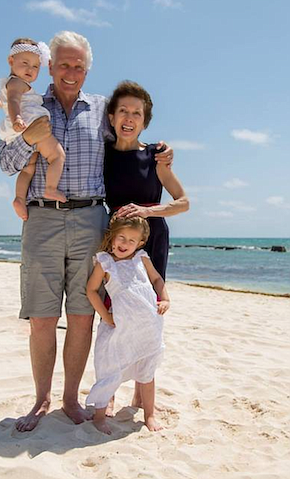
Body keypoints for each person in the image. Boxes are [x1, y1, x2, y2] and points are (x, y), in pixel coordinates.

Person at [0, 31, 174, 433]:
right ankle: (42, 399)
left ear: (88, 68)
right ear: (50, 65)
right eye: (64, 63)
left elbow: (131, 140)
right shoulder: (27, 103)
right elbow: (7, 162)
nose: (71, 72)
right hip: (40, 218)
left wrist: (162, 153)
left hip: (91, 220)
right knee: (42, 318)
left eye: (79, 65)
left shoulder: (100, 110)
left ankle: (70, 398)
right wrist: (31, 135)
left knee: (82, 316)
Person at [103, 80, 190, 413]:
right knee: (111, 314)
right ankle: (108, 390)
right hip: (115, 243)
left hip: (152, 240)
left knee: (147, 313)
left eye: (136, 113)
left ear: (145, 120)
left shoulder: (156, 155)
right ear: (111, 117)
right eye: (123, 110)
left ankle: (142, 392)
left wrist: (147, 210)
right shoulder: (102, 152)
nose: (129, 117)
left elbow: (183, 202)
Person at [86, 215, 170, 434]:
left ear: (140, 243)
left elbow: (157, 280)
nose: (124, 244)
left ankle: (149, 415)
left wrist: (165, 298)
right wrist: (105, 316)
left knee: (147, 372)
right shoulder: (105, 262)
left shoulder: (141, 258)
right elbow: (91, 290)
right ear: (112, 237)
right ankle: (99, 416)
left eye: (131, 240)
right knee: (109, 369)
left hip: (147, 326)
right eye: (121, 237)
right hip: (120, 327)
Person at [0, 37, 66, 221]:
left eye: (35, 66)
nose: (30, 69)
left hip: (21, 129)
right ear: (11, 61)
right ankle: (50, 188)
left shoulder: (9, 83)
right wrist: (17, 118)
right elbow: (12, 101)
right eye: (25, 63)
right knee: (57, 156)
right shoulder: (17, 83)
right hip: (30, 125)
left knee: (29, 168)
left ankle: (20, 198)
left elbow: (6, 100)